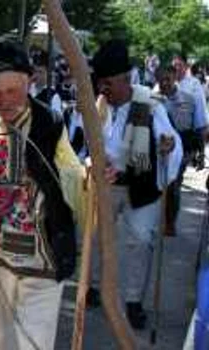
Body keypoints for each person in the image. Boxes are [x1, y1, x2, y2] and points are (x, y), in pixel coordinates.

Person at [0, 39, 93, 350]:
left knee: (35, 345)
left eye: (13, 90)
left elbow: (73, 175)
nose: (5, 100)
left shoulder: (49, 124)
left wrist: (92, 179)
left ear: (30, 82)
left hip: (41, 260)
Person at [87, 40, 182, 329]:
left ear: (125, 80)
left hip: (141, 183)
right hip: (106, 182)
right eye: (101, 83)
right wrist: (89, 163)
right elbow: (82, 143)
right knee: (96, 234)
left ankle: (132, 301)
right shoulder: (98, 105)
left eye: (108, 84)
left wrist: (167, 146)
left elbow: (172, 141)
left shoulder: (149, 107)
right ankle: (93, 285)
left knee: (141, 240)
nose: (103, 89)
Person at [156, 65, 206, 236]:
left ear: (174, 78)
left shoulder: (190, 99)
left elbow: (200, 127)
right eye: (160, 80)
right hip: (159, 149)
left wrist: (201, 155)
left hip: (184, 148)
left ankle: (170, 222)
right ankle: (159, 218)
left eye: (167, 79)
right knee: (159, 183)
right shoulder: (153, 100)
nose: (164, 83)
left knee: (173, 183)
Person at [173, 54, 208, 169]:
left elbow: (200, 116)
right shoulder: (167, 82)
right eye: (175, 65)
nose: (177, 68)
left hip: (186, 135)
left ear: (186, 66)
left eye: (180, 65)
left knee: (178, 170)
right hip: (169, 134)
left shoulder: (194, 84)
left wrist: (202, 153)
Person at [29, 50, 63, 117]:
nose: (37, 75)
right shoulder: (27, 89)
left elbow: (56, 122)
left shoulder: (53, 96)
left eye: (40, 72)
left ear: (48, 73)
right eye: (35, 71)